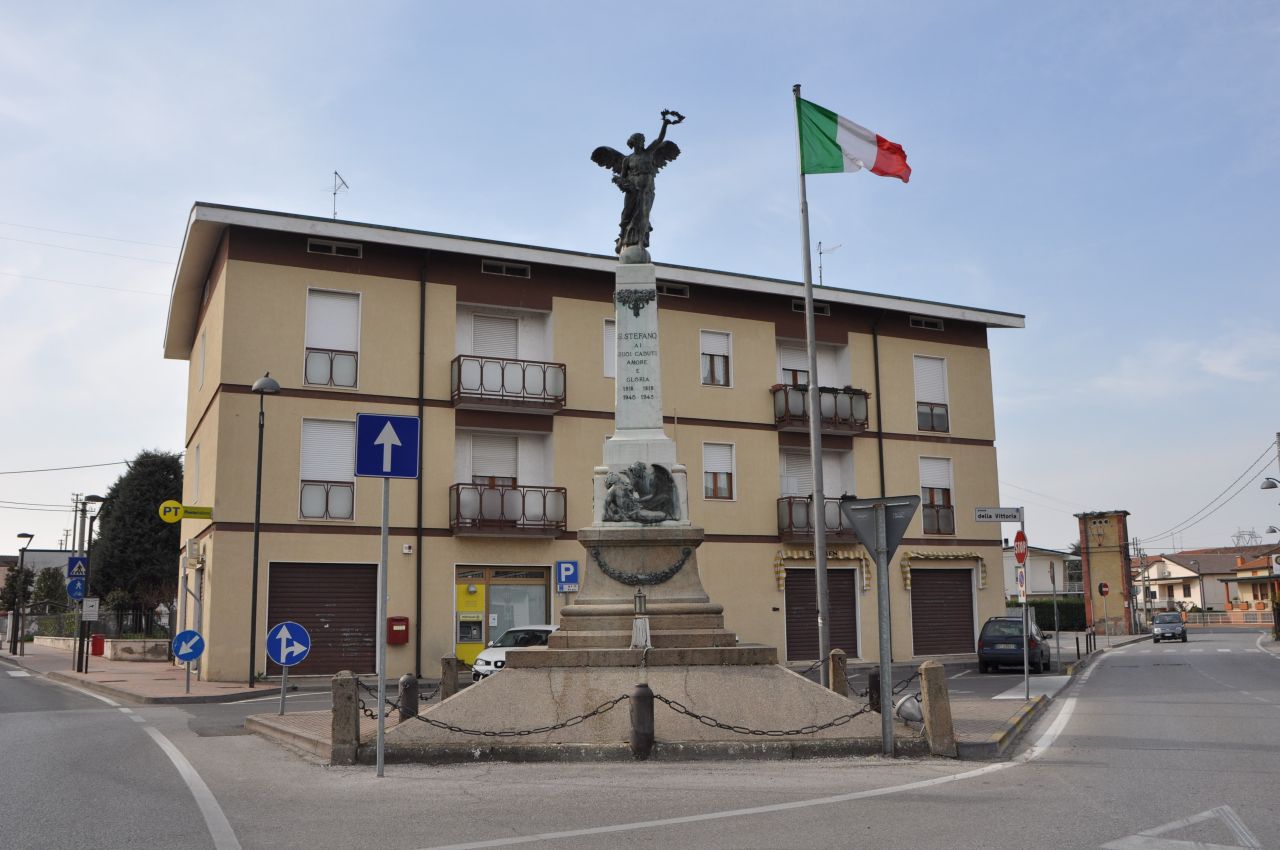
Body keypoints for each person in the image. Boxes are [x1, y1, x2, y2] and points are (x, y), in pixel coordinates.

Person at [591, 111, 683, 256]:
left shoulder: (649, 153)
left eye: (643, 140)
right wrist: (620, 182)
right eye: (640, 140)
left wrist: (665, 124)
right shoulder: (627, 160)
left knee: (643, 214)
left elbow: (659, 139)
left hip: (647, 188)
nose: (643, 143)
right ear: (634, 142)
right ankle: (622, 238)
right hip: (632, 188)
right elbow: (622, 177)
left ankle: (640, 240)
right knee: (626, 214)